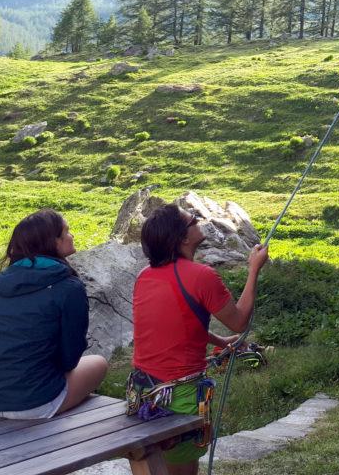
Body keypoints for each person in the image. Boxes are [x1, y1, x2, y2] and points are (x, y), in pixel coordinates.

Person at [130, 203, 268, 475]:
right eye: (193, 220)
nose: (198, 222)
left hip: (143, 392)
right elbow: (239, 321)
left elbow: (174, 322)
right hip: (180, 395)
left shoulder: (144, 276)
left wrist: (219, 341)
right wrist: (254, 270)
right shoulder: (201, 276)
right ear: (182, 237)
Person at [0, 209, 108, 419]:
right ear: (53, 242)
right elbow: (70, 359)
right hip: (32, 403)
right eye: (66, 232)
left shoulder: (1, 283)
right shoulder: (68, 286)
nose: (72, 236)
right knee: (99, 363)